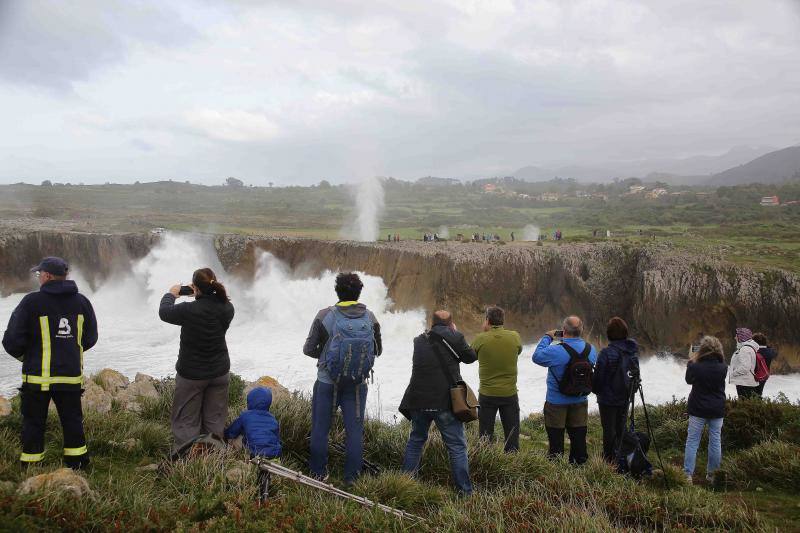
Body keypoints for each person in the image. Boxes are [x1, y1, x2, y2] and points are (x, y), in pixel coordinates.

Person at [2, 257, 97, 469]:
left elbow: (11, 340)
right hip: (70, 376)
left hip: (37, 378)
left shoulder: (31, 302)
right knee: (72, 422)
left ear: (46, 276)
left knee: (34, 423)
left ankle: (32, 466)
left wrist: (28, 359)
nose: (38, 278)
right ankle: (78, 465)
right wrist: (70, 352)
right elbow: (90, 338)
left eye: (39, 275)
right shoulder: (82, 302)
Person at [303, 272, 382, 485]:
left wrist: (328, 355)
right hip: (357, 383)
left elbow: (308, 349)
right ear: (359, 292)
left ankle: (318, 475)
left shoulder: (325, 315)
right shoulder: (371, 318)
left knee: (321, 428)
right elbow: (378, 351)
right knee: (354, 431)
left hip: (327, 382)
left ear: (337, 291)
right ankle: (352, 479)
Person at [399, 310, 477, 495]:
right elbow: (471, 357)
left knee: (416, 441)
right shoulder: (455, 336)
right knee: (457, 446)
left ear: (431, 323)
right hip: (444, 401)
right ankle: (464, 492)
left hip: (418, 399)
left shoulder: (418, 340)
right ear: (451, 324)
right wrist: (455, 333)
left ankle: (405, 485)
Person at [159, 267, 235, 450]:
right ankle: (214, 459)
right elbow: (211, 307)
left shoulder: (188, 310)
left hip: (192, 375)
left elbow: (164, 312)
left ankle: (187, 461)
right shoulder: (227, 308)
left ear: (196, 288)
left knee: (186, 422)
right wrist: (201, 295)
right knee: (215, 420)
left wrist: (172, 294)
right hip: (219, 372)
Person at [532, 316, 597, 464]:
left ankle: (557, 472)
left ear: (564, 330)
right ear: (582, 330)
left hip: (556, 403)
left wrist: (548, 337)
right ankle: (579, 468)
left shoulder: (555, 349)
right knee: (579, 440)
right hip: (580, 401)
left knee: (556, 442)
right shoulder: (591, 349)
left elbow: (537, 357)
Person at [471, 306, 522, 453]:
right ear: (502, 321)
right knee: (512, 433)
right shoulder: (514, 336)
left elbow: (470, 356)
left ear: (487, 320)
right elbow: (519, 350)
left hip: (487, 394)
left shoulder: (480, 338)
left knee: (485, 435)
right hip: (509, 393)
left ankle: (486, 462)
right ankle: (512, 462)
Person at [592, 317, 640, 463]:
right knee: (621, 428)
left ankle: (609, 461)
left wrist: (595, 390)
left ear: (609, 333)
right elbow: (635, 375)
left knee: (609, 430)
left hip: (607, 399)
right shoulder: (632, 351)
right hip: (625, 396)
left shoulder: (606, 353)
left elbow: (599, 379)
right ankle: (623, 457)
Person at [684, 335, 727, 484]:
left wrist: (691, 360)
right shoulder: (723, 367)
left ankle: (688, 475)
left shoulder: (696, 366)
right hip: (717, 408)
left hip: (698, 408)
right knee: (715, 442)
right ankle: (712, 475)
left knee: (692, 441)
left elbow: (689, 380)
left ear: (702, 349)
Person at [224, 387, 282, 459]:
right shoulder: (273, 419)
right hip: (275, 454)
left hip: (254, 453)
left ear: (250, 401)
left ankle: (233, 456)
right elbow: (277, 439)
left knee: (236, 437)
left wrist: (224, 434)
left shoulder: (245, 416)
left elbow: (231, 432)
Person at [728, 328, 759, 399]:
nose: (735, 337)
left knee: (744, 405)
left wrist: (734, 373)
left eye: (737, 336)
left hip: (744, 382)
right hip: (746, 381)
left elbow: (745, 367)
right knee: (748, 405)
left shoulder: (744, 350)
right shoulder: (748, 348)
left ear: (741, 337)